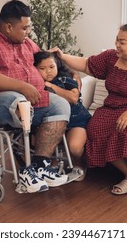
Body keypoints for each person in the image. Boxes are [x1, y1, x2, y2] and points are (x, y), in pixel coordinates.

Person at [52, 22, 127, 202]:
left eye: (122, 42)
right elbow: (86, 65)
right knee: (96, 129)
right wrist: (62, 56)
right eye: (117, 40)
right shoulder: (110, 58)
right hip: (114, 108)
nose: (117, 44)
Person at [0, 0, 71, 193]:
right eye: (25, 28)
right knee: (18, 100)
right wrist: (23, 86)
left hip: (29, 103)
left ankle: (38, 167)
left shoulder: (27, 43)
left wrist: (72, 76)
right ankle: (26, 173)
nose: (28, 32)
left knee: (60, 105)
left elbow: (45, 63)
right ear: (8, 26)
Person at [33, 51, 91, 180]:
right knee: (41, 144)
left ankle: (80, 164)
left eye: (51, 67)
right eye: (42, 68)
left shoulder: (66, 79)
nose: (48, 71)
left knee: (75, 147)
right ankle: (49, 167)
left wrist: (51, 86)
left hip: (76, 120)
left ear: (57, 66)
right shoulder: (35, 84)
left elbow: (74, 98)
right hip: (51, 121)